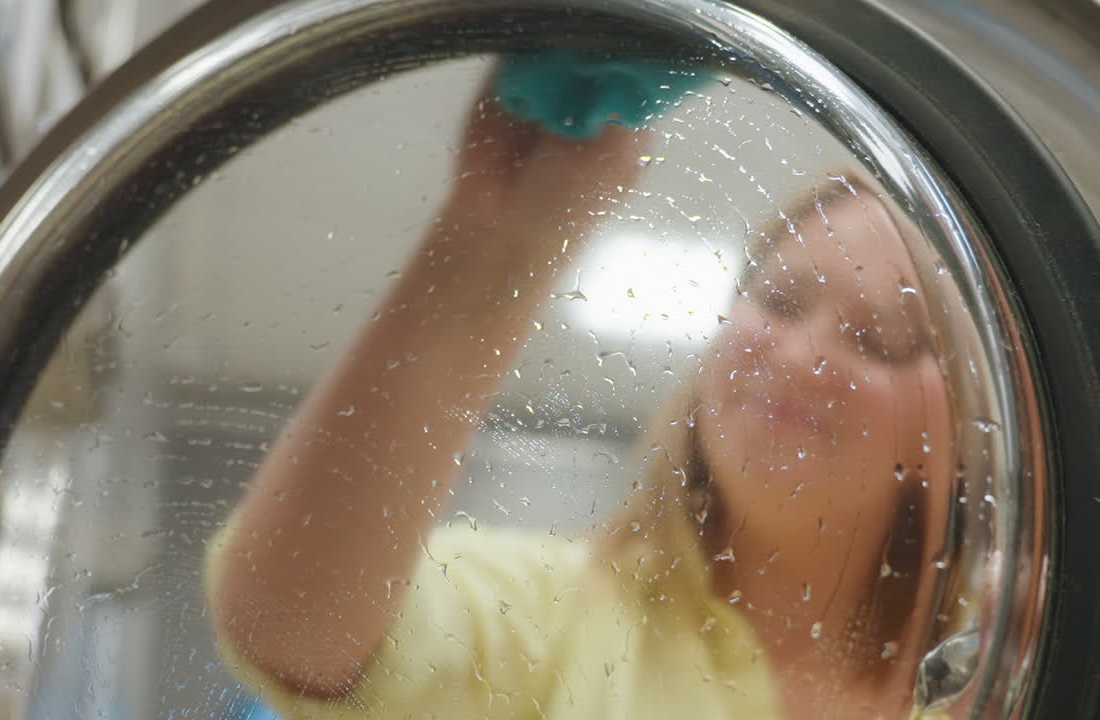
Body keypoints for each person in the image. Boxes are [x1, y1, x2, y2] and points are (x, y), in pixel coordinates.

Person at [204, 76, 968, 719]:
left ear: (968, 441)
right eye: (777, 300)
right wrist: (495, 236)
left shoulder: (999, 663)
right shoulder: (549, 618)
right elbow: (289, 621)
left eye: (881, 341)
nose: (802, 356)